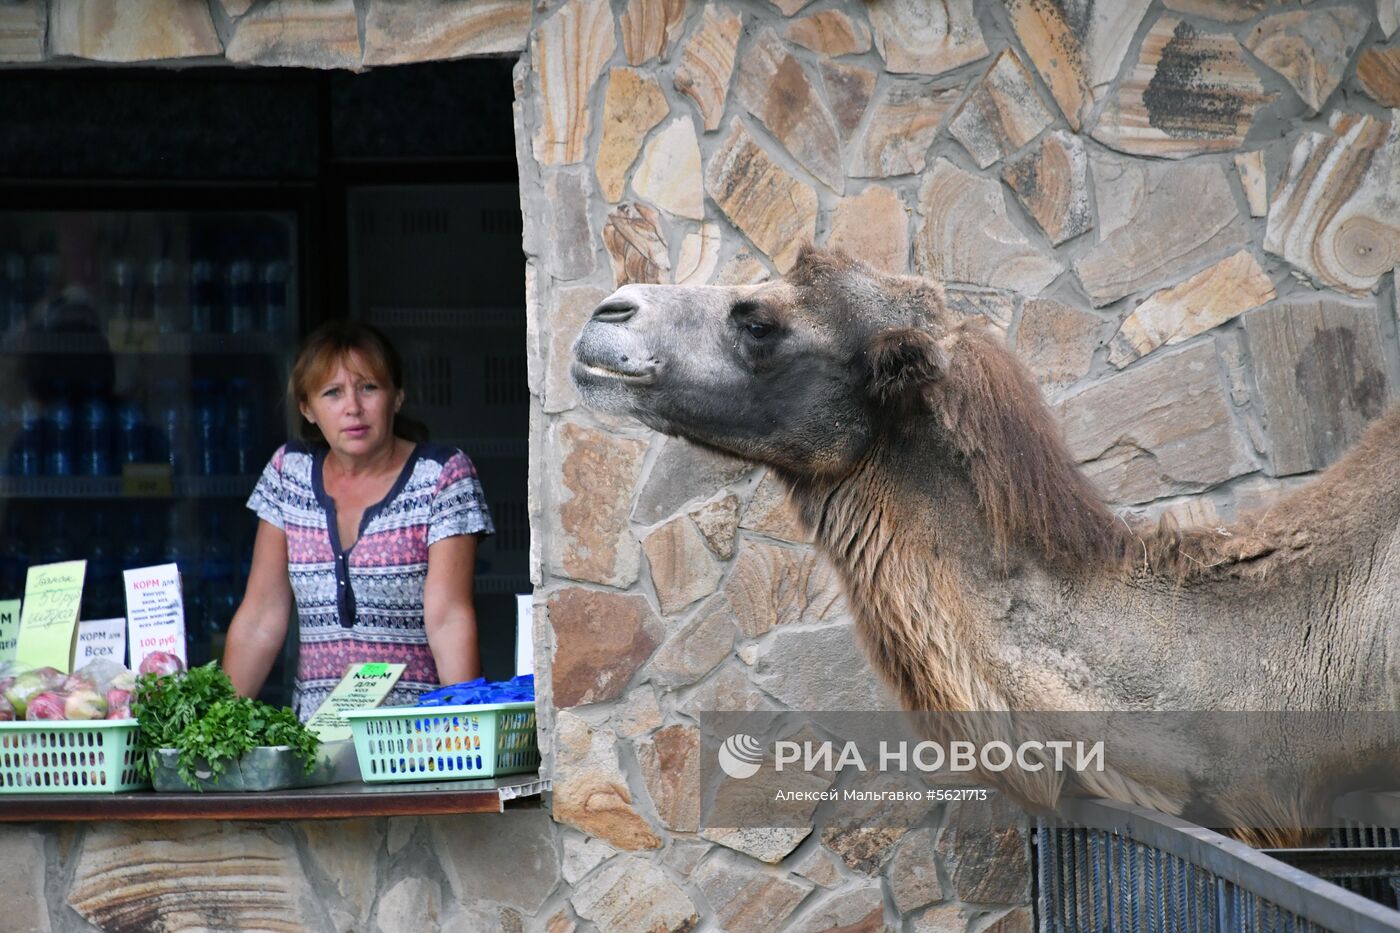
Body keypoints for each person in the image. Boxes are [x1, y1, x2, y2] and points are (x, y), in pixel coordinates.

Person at [223, 320, 494, 720]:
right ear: (307, 409)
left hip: (414, 741)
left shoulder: (441, 475)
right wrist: (215, 732)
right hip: (315, 746)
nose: (353, 407)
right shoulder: (288, 472)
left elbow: (449, 618)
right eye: (332, 393)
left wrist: (466, 731)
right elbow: (261, 617)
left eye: (369, 387)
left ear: (397, 397)